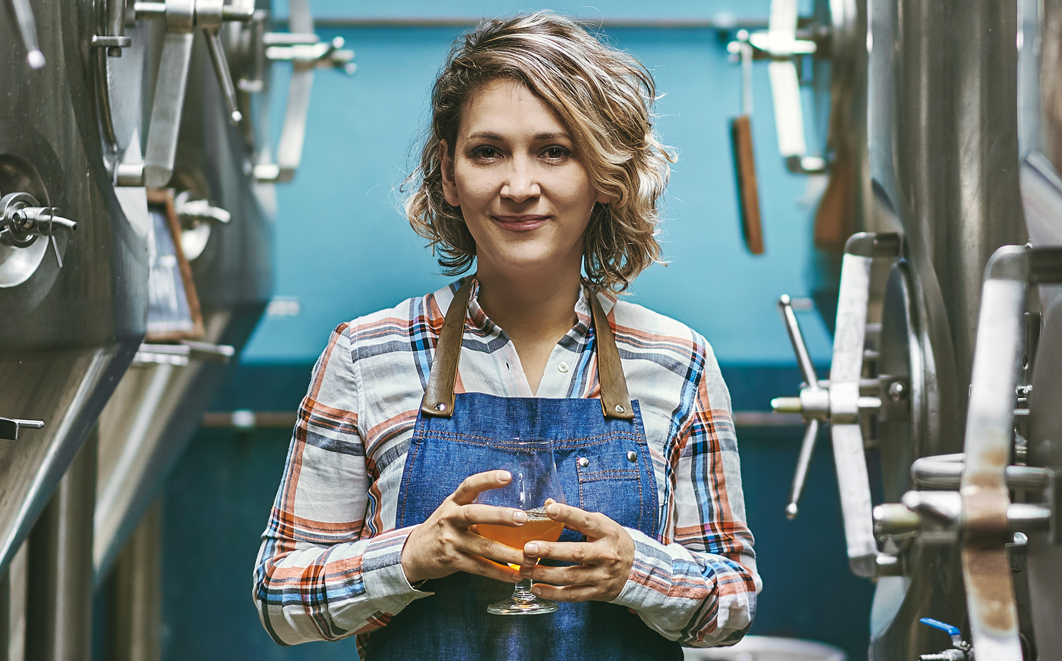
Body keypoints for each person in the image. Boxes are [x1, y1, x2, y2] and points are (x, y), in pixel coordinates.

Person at [253, 12, 759, 660]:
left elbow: (734, 600)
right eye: (487, 151)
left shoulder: (676, 361)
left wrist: (635, 570)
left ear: (603, 176)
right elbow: (277, 596)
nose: (519, 187)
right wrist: (411, 555)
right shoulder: (365, 352)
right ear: (447, 174)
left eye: (554, 151)